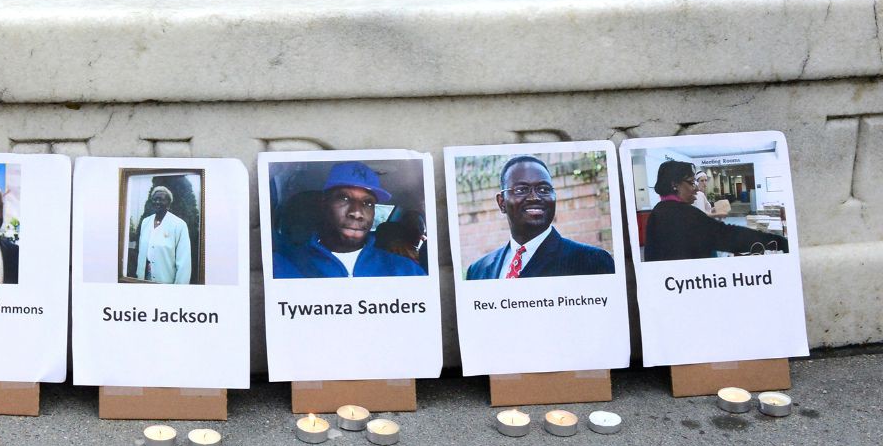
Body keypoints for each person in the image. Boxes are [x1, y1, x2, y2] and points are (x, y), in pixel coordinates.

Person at [463, 156, 614, 280]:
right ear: (501, 202)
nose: (534, 197)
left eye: (544, 189)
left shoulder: (591, 262)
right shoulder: (477, 271)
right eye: (521, 189)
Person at [271, 161, 427, 279]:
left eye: (368, 203)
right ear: (324, 205)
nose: (357, 213)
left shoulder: (406, 270)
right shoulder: (282, 266)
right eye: (344, 198)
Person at [643, 160, 789, 261]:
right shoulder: (683, 214)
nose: (695, 188)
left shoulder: (659, 211)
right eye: (690, 182)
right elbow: (728, 236)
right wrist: (776, 241)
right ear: (675, 185)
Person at [131, 185, 192, 283]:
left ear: (169, 204)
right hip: (144, 279)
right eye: (154, 199)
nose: (157, 202)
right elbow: (141, 254)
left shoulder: (179, 225)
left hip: (166, 281)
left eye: (161, 199)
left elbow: (184, 263)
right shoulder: (146, 222)